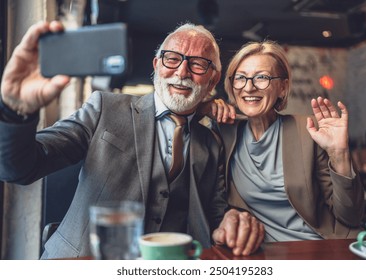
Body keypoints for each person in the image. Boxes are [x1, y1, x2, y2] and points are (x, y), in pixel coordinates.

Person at [0, 21, 263, 259]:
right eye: (172, 59)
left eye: (197, 64)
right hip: (81, 264)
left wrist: (232, 220)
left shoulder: (211, 141)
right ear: (156, 65)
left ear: (213, 78)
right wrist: (15, 111)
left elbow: (215, 216)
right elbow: (18, 168)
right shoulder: (105, 107)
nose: (182, 71)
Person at [207, 41, 365, 242]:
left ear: (282, 88)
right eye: (240, 78)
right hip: (259, 251)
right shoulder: (224, 131)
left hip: (317, 246)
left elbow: (350, 217)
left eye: (261, 77)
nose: (249, 87)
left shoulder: (308, 131)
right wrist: (205, 105)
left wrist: (339, 154)